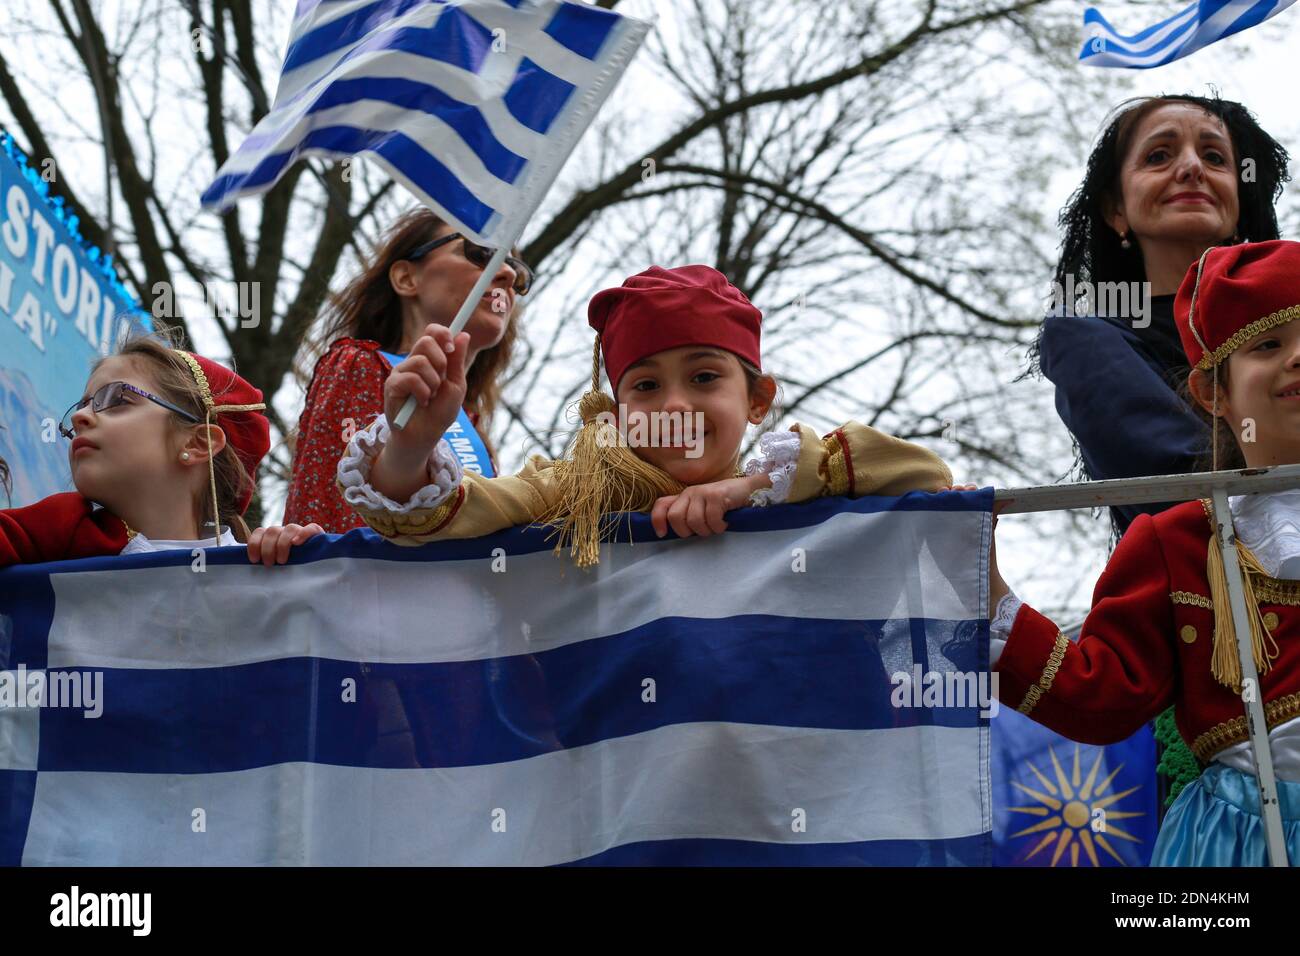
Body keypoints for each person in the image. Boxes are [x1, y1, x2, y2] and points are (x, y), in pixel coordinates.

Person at [989, 240, 1300, 865]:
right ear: (1215, 392)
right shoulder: (1177, 541)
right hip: (1239, 845)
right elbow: (1097, 700)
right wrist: (984, 584)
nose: (1298, 359)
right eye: (1268, 345)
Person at [334, 264, 954, 566]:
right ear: (616, 408)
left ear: (759, 399)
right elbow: (439, 520)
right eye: (647, 385)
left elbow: (926, 476)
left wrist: (754, 488)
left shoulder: (793, 487)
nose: (675, 404)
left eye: (705, 377)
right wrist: (411, 446)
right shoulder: (568, 496)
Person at [1029, 93, 1289, 539]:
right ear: (1116, 211)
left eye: (1214, 156)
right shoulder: (1086, 338)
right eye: (1158, 156)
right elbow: (1181, 489)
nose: (1192, 168)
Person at [284, 207, 531, 532]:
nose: (508, 275)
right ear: (406, 278)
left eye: (516, 267)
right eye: (481, 252)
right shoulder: (359, 364)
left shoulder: (470, 421)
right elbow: (339, 523)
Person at [0, 331, 322, 567]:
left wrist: (306, 557)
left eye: (116, 400)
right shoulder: (62, 527)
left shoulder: (257, 561)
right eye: (82, 405)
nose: (80, 416)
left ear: (198, 443)